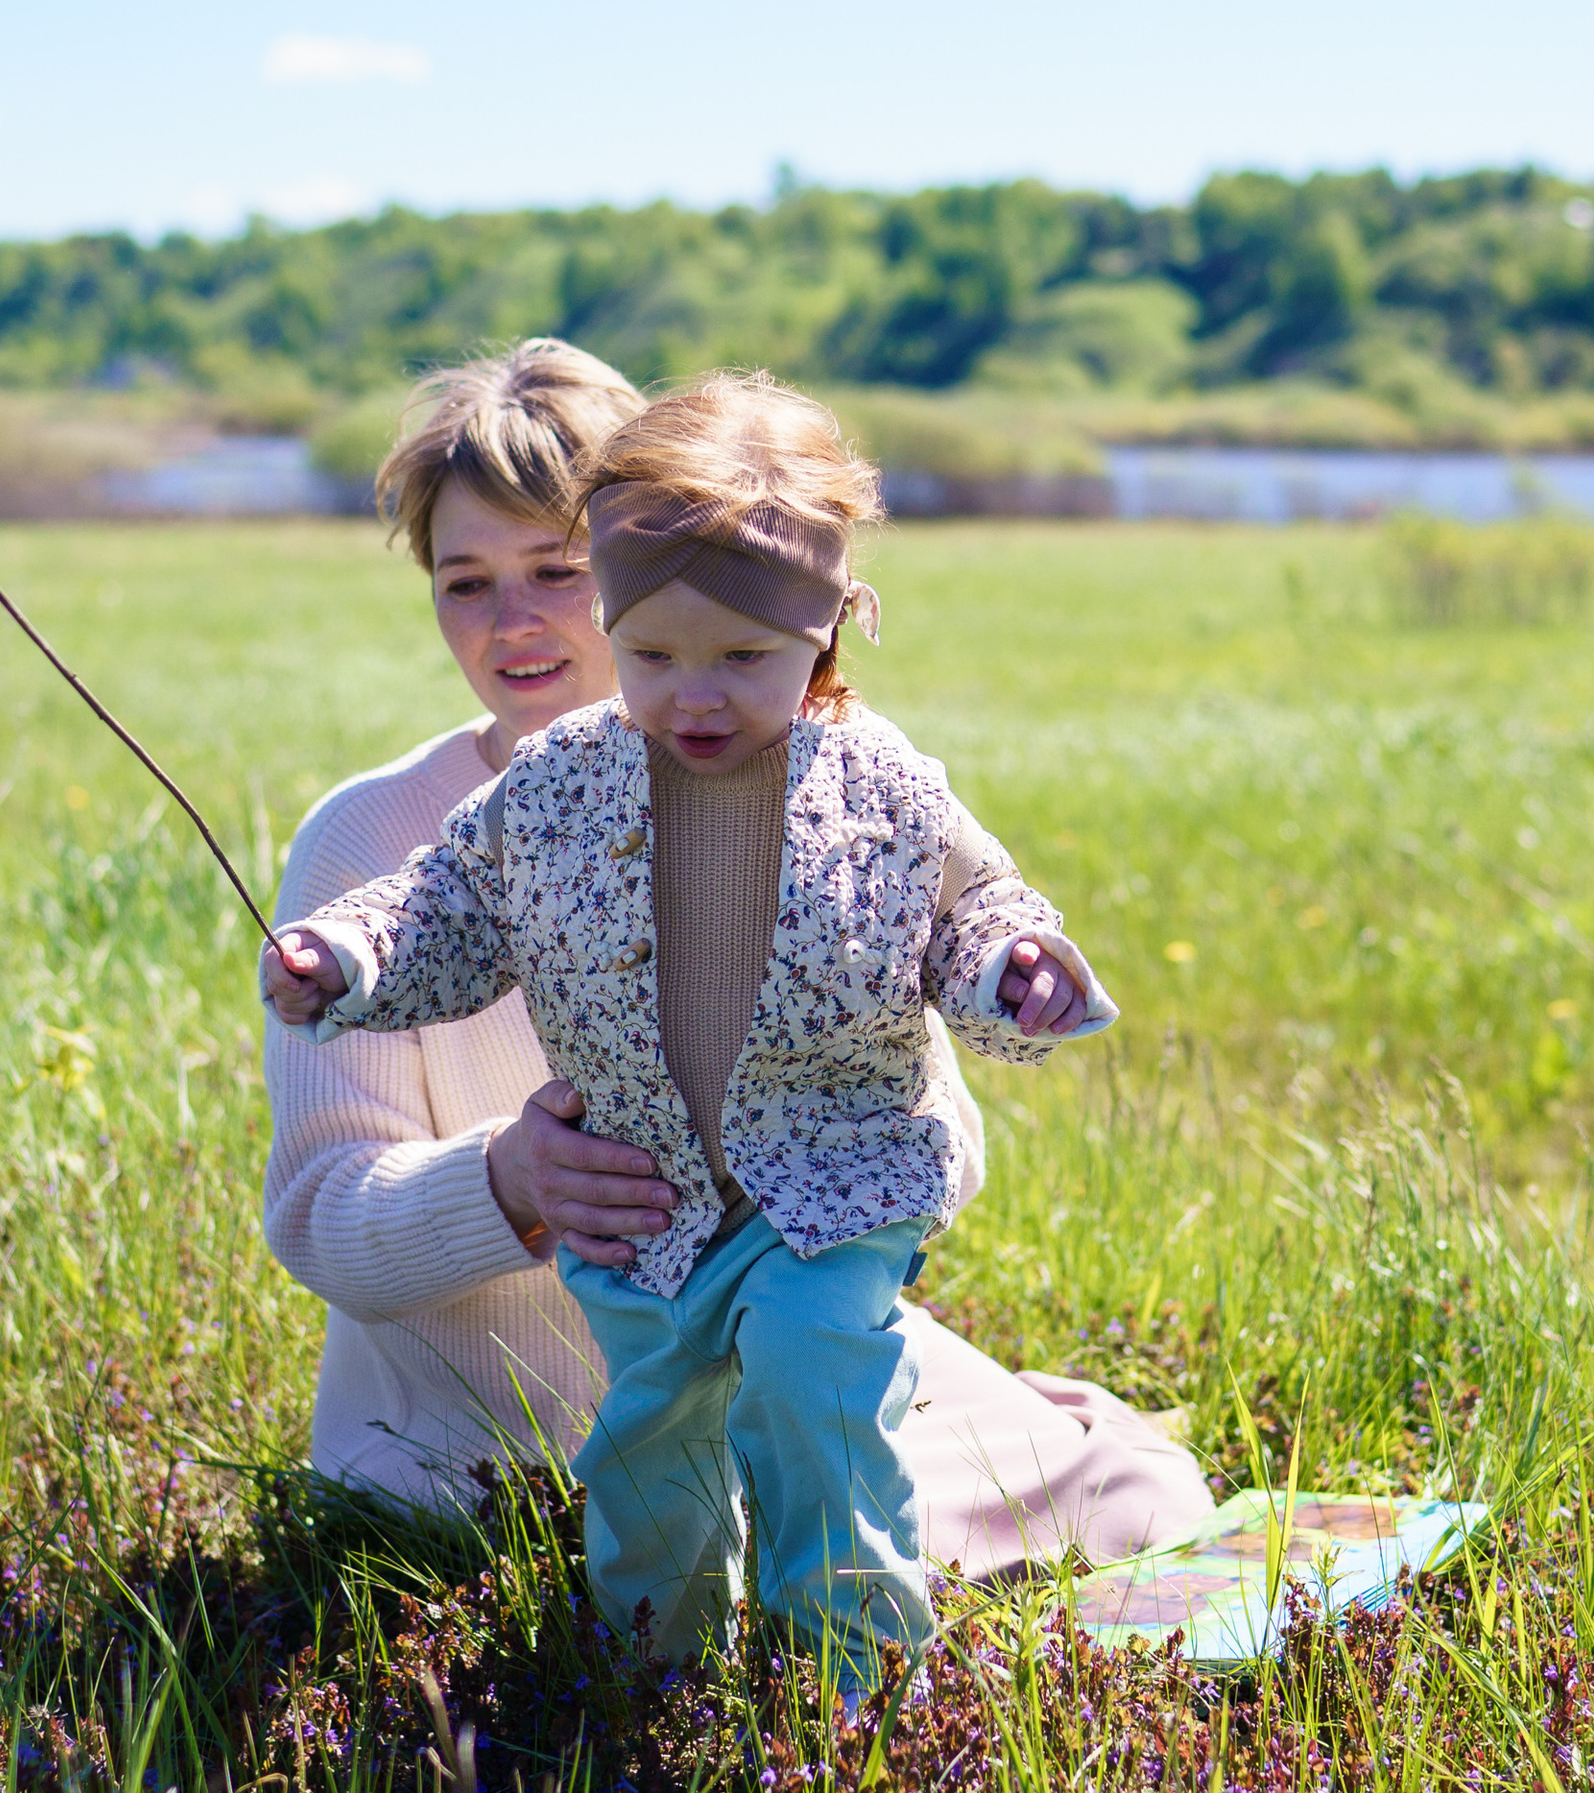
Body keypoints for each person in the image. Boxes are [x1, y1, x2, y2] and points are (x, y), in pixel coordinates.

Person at [258, 341, 1212, 1587]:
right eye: (465, 583)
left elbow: (945, 1146)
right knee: (686, 1552)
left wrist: (836, 1152)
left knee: (1133, 1492)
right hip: (483, 1438)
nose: (511, 625)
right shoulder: (374, 840)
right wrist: (510, 1179)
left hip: (773, 1342)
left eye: (555, 572)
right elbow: (318, 1216)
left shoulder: (826, 799)